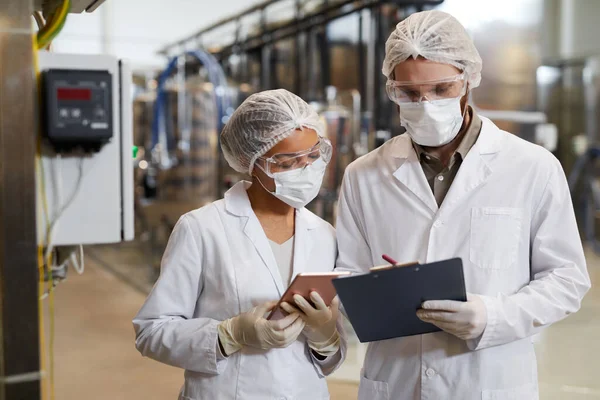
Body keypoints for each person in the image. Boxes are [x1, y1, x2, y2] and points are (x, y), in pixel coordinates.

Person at [335, 10, 591, 400]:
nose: (424, 104)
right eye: (408, 93)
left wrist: (493, 317)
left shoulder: (532, 167)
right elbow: (348, 276)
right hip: (397, 379)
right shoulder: (363, 174)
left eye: (440, 90)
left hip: (488, 379)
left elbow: (567, 279)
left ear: (468, 80)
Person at [133, 89, 346, 400]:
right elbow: (151, 332)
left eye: (313, 156)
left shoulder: (324, 234)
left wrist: (326, 337)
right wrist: (229, 335)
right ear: (251, 161)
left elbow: (327, 362)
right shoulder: (202, 228)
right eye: (288, 162)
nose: (306, 169)